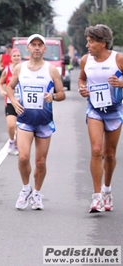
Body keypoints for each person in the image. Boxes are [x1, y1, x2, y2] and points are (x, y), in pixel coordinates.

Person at [6, 34, 65, 210]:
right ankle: (26, 189)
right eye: (34, 45)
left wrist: (52, 96)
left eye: (40, 45)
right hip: (25, 120)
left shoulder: (51, 70)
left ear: (44, 49)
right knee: (23, 157)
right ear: (28, 48)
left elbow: (62, 93)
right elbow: (9, 87)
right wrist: (14, 102)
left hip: (44, 121)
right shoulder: (20, 69)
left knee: (40, 161)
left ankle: (37, 193)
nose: (37, 48)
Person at [78, 24, 123, 213]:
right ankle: (96, 197)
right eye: (87, 41)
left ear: (103, 43)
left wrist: (120, 83)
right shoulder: (85, 60)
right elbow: (81, 79)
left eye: (91, 41)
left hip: (114, 110)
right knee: (96, 150)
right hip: (95, 109)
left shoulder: (118, 59)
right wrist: (82, 88)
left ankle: (107, 189)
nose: (87, 45)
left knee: (109, 154)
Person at [0, 48, 22, 156]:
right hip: (10, 101)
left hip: (22, 102)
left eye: (18, 55)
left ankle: (16, 145)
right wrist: (2, 91)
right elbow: (0, 83)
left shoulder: (25, 69)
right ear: (11, 58)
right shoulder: (7, 70)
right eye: (14, 56)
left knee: (20, 127)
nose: (16, 58)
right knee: (11, 125)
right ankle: (12, 140)